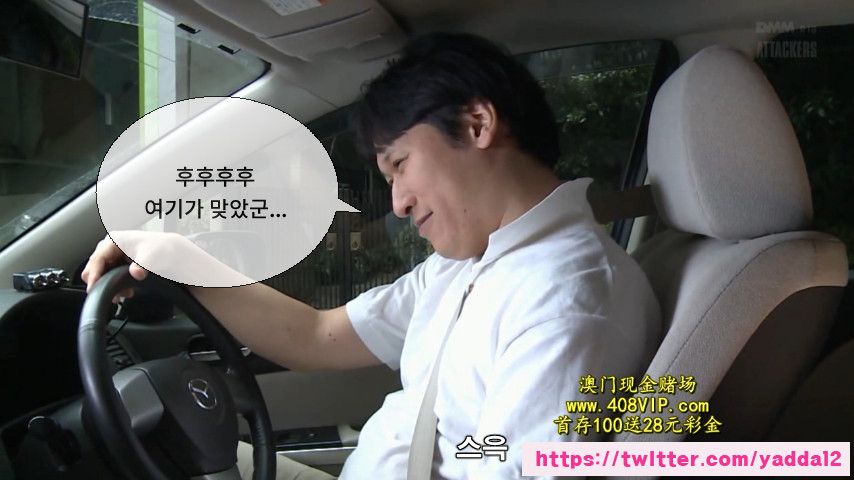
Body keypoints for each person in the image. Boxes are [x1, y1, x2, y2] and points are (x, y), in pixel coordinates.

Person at [82, 32, 661, 480]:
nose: (399, 203)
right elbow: (317, 335)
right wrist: (180, 259)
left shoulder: (568, 298)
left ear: (477, 124)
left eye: (400, 165)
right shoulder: (472, 264)